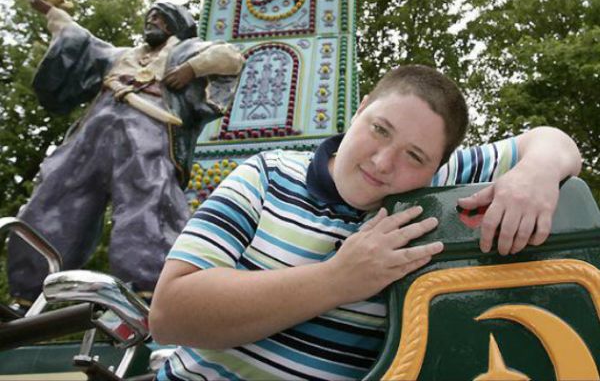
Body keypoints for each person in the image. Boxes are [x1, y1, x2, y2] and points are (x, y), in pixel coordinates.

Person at [149, 65, 581, 380]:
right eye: (380, 129)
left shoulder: (437, 185)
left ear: (437, 169)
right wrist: (338, 279)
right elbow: (170, 313)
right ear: (360, 110)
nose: (383, 162)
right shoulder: (267, 173)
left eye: (415, 156)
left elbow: (553, 142)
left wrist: (534, 174)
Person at [7, 0, 245, 306]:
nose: (152, 22)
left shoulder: (183, 52)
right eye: (149, 18)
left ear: (175, 25)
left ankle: (149, 290)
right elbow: (79, 37)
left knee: (147, 201)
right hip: (93, 131)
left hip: (147, 130)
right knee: (55, 194)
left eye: (160, 18)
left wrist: (190, 69)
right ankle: (28, 291)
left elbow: (230, 56)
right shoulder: (119, 55)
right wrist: (52, 11)